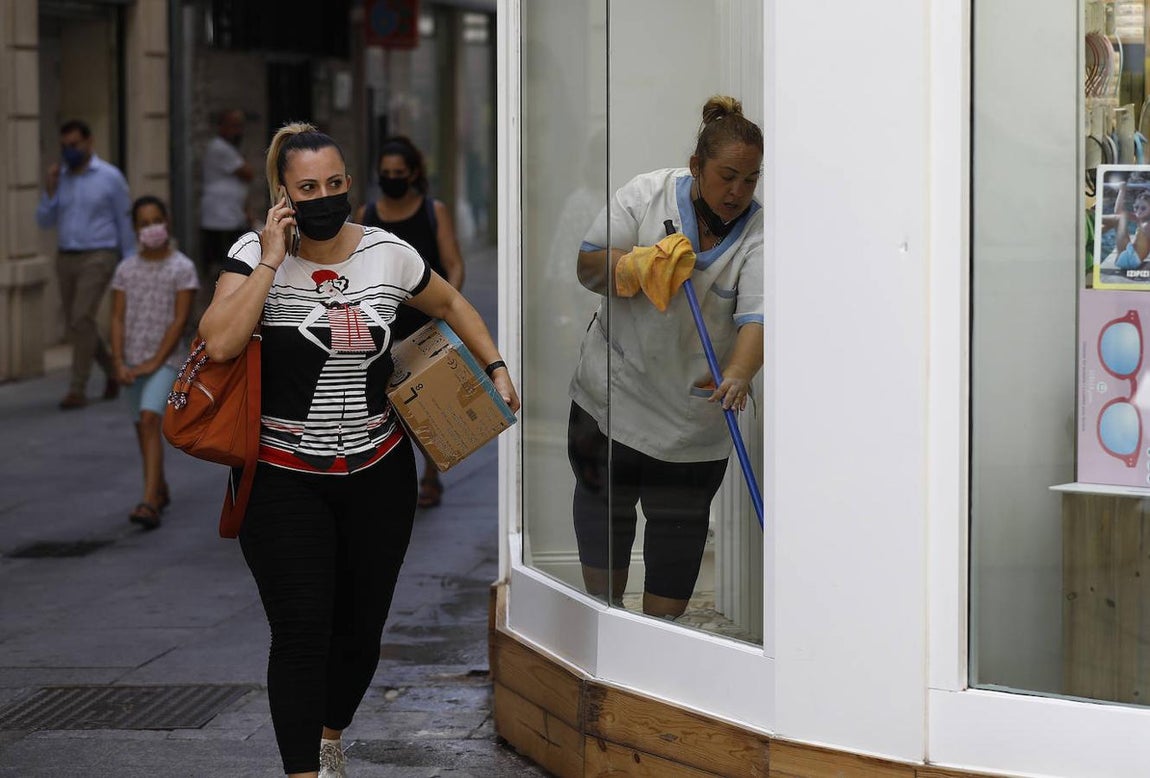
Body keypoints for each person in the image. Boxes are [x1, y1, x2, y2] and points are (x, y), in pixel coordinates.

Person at [198, 122, 518, 778]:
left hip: (377, 471)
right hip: (282, 476)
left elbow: (450, 299)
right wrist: (269, 257)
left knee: (361, 634)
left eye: (336, 183)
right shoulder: (250, 255)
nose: (325, 196)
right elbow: (222, 342)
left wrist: (495, 364)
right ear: (281, 193)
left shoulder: (387, 253)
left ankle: (328, 735)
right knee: (301, 632)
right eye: (308, 187)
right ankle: (304, 772)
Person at [567, 95, 763, 620]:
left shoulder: (760, 236)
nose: (738, 192)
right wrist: (635, 266)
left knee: (677, 544)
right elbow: (587, 268)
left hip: (691, 422)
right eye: (727, 176)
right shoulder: (646, 196)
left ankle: (655, 658)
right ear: (697, 167)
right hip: (613, 399)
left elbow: (757, 320)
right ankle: (606, 629)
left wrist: (739, 374)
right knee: (604, 522)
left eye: (750, 179)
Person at [353, 135, 466, 508]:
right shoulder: (366, 215)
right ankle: (389, 477)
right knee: (379, 410)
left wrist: (445, 310)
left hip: (423, 329)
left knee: (426, 409)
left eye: (398, 173)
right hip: (376, 331)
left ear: (413, 173)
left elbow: (453, 264)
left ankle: (430, 476)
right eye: (385, 173)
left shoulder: (433, 211)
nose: (391, 178)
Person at [109, 196, 199, 529]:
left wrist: (155, 362)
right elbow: (117, 318)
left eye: (156, 221)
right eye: (144, 223)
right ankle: (158, 487)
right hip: (131, 360)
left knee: (150, 420)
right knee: (141, 427)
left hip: (166, 361)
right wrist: (118, 361)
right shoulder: (125, 269)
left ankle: (149, 503)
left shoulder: (183, 268)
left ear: (168, 222)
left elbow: (179, 321)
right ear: (134, 229)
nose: (151, 229)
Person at [36, 119, 136, 410]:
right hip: (65, 256)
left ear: (89, 143)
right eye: (65, 146)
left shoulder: (109, 177)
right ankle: (113, 372)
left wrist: (129, 263)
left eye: (74, 145)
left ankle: (77, 388)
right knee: (79, 324)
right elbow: (44, 220)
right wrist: (50, 190)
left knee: (81, 318)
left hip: (99, 254)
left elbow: (124, 220)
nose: (70, 151)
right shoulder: (62, 177)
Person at [200, 109, 254, 279]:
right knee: (227, 262)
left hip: (231, 214)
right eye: (234, 126)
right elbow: (248, 173)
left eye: (240, 126)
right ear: (222, 127)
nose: (238, 132)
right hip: (221, 218)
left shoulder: (230, 148)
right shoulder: (220, 148)